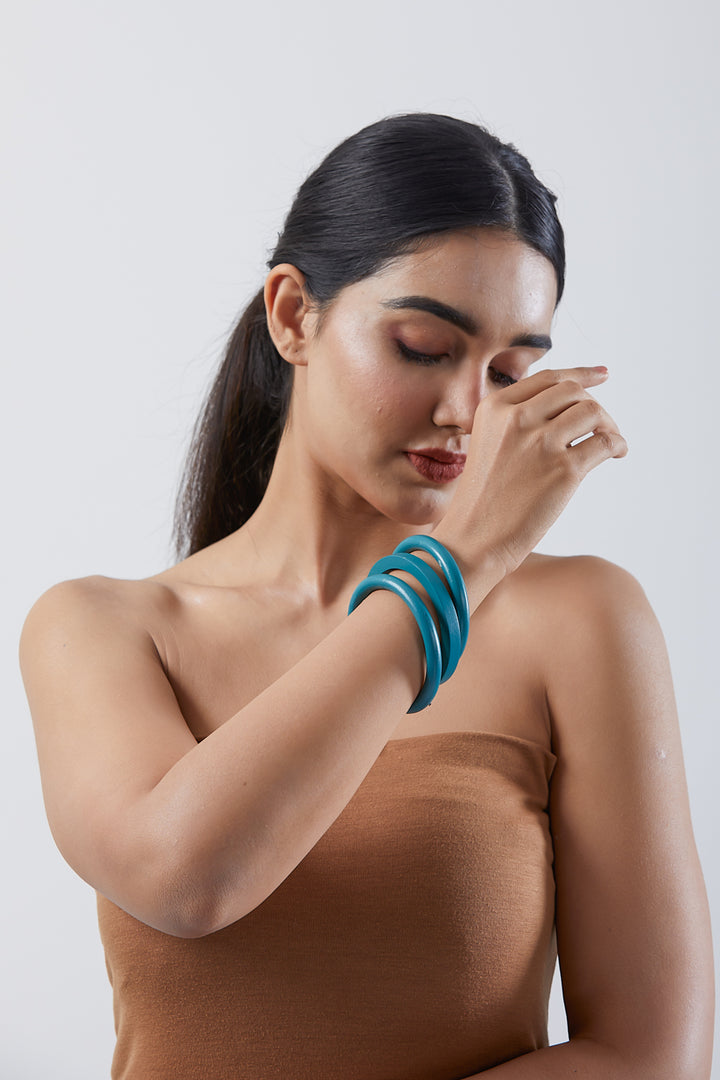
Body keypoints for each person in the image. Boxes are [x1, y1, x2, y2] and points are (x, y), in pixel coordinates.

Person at [20, 113, 713, 1079]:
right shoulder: (103, 630)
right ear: (294, 315)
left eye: (510, 372)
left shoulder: (582, 621)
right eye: (426, 347)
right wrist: (455, 568)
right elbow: (184, 882)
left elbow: (650, 1059)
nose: (469, 413)